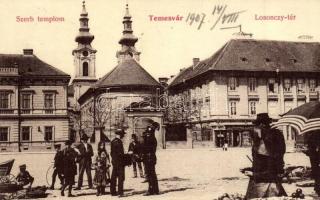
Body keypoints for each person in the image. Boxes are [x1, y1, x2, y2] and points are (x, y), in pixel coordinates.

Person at [244, 113, 287, 199]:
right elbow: (260, 163)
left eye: (256, 126)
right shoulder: (260, 142)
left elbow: (272, 171)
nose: (254, 129)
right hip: (258, 182)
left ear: (261, 125)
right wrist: (251, 169)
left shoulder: (269, 142)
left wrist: (253, 174)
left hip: (268, 185)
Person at [142, 122, 160, 195]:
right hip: (151, 158)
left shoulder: (150, 138)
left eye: (146, 135)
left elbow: (147, 148)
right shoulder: (153, 138)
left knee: (150, 174)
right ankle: (155, 190)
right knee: (152, 174)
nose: (145, 136)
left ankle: (151, 190)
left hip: (149, 158)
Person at [302, 131, 320, 196]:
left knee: (317, 174)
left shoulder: (312, 136)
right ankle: (317, 189)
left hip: (315, 160)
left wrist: (306, 152)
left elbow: (310, 150)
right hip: (315, 159)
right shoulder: (312, 136)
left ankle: (317, 189)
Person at [110, 129, 126, 197]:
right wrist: (126, 156)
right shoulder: (118, 142)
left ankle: (113, 192)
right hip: (120, 162)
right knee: (120, 177)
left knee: (113, 177)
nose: (123, 136)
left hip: (114, 161)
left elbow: (111, 153)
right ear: (120, 134)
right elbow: (120, 154)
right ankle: (120, 192)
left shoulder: (113, 141)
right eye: (122, 134)